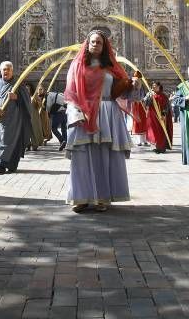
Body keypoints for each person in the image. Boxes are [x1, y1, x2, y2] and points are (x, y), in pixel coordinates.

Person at [64, 30, 136, 212]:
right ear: (87, 44)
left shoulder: (111, 65)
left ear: (105, 47)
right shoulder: (78, 65)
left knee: (104, 157)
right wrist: (76, 111)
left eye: (100, 42)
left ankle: (102, 198)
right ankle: (81, 197)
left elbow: (122, 89)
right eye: (93, 42)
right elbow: (71, 92)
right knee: (81, 156)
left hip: (107, 113)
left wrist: (132, 84)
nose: (96, 44)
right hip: (85, 113)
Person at [0, 61, 33, 174]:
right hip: (0, 119)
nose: (6, 71)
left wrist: (17, 97)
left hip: (15, 121)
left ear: (12, 71)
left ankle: (11, 164)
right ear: (0, 71)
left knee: (12, 142)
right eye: (4, 69)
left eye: (8, 69)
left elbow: (27, 101)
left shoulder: (19, 85)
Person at [144, 81, 173, 153]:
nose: (154, 87)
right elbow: (146, 103)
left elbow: (166, 106)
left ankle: (162, 148)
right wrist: (149, 96)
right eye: (153, 86)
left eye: (155, 86)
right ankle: (157, 146)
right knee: (155, 132)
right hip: (153, 117)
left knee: (161, 132)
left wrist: (163, 115)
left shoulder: (163, 96)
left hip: (161, 118)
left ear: (159, 87)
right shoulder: (150, 95)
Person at [129, 71, 149, 146]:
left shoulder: (142, 85)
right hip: (135, 104)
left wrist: (144, 101)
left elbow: (144, 94)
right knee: (137, 122)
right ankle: (139, 141)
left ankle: (144, 140)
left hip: (142, 104)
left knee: (143, 122)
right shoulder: (133, 83)